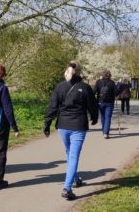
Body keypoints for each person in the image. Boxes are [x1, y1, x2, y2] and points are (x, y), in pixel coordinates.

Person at [44, 61, 98, 200]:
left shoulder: (60, 86)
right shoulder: (85, 88)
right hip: (78, 126)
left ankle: (75, 180)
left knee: (69, 153)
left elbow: (53, 106)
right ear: (79, 72)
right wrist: (94, 117)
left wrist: (47, 123)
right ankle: (67, 188)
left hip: (63, 126)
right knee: (73, 156)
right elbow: (92, 105)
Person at [93, 69, 116, 139]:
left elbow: (94, 91)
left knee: (103, 117)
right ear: (109, 75)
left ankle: (104, 131)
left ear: (102, 75)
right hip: (110, 102)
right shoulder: (112, 83)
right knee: (108, 117)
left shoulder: (98, 82)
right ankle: (106, 133)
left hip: (100, 102)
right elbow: (116, 92)